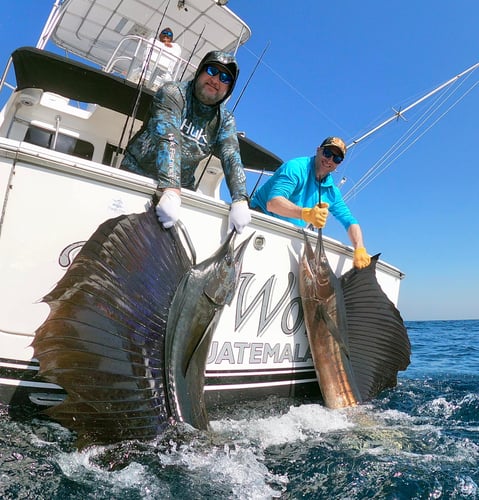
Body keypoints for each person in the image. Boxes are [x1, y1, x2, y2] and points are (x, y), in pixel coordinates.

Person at [121, 50, 251, 233]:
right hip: (135, 177)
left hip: (181, 194)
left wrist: (240, 199)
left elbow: (231, 155)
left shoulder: (226, 120)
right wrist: (172, 189)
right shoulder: (172, 93)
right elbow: (169, 137)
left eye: (225, 78)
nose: (216, 80)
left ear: (229, 88)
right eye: (212, 71)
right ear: (200, 71)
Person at [250, 137, 371, 268]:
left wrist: (359, 248)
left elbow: (350, 221)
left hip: (289, 237)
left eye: (336, 159)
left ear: (339, 164)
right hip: (258, 224)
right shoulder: (296, 167)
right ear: (318, 150)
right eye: (328, 153)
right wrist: (306, 214)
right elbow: (273, 203)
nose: (330, 160)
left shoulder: (332, 192)